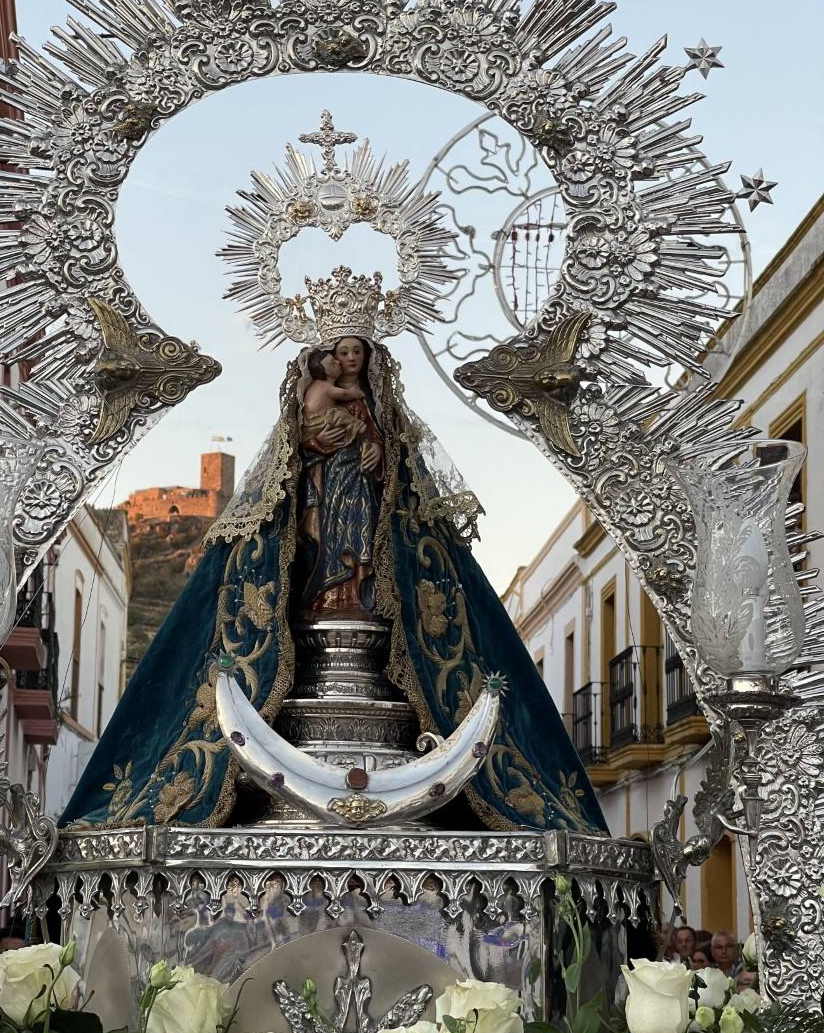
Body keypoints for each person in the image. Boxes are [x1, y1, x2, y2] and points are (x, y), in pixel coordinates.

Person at [59, 333, 608, 836]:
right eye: (341, 351)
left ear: (370, 360)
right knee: (324, 557)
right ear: (323, 357)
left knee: (366, 557)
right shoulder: (316, 394)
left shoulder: (380, 413)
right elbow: (301, 443)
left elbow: (395, 464)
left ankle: (356, 589)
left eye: (358, 352)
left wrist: (376, 453)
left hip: (364, 501)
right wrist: (327, 442)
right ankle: (333, 593)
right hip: (322, 497)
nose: (350, 360)